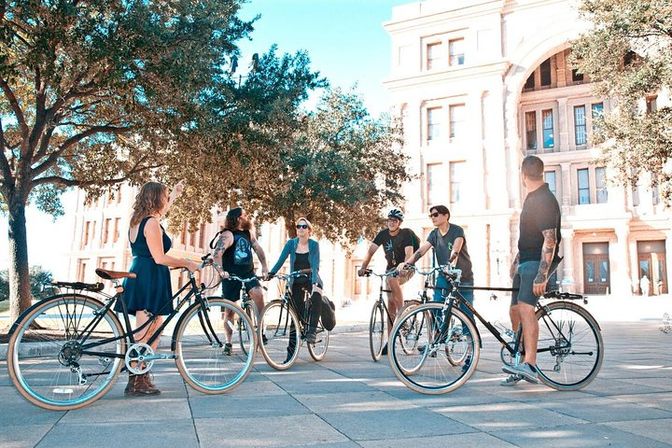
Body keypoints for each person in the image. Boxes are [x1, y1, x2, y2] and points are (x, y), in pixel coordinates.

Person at [116, 181, 200, 396]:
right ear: (155, 198)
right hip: (149, 276)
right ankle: (137, 379)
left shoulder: (138, 221)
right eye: (163, 196)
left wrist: (174, 194)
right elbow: (160, 257)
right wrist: (186, 262)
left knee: (153, 327)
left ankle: (141, 374)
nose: (165, 200)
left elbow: (161, 215)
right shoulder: (151, 223)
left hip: (143, 273)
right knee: (144, 333)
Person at [501, 155, 561, 386]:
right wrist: (516, 260)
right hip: (525, 261)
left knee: (526, 309)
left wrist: (542, 273)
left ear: (523, 174)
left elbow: (550, 239)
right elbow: (529, 235)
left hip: (537, 263)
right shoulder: (532, 198)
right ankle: (520, 359)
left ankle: (531, 364)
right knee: (515, 309)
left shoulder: (544, 199)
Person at [400, 205, 475, 364]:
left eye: (435, 214)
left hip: (463, 276)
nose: (433, 217)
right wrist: (407, 263)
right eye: (431, 216)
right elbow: (421, 251)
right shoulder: (434, 234)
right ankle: (437, 340)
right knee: (436, 306)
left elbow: (456, 248)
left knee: (466, 313)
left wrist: (450, 262)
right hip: (444, 277)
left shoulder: (457, 231)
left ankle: (471, 349)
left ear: (446, 216)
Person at [358, 209, 415, 354]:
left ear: (399, 223)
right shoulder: (382, 234)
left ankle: (403, 316)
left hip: (406, 268)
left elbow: (409, 254)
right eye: (389, 220)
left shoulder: (406, 233)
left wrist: (405, 266)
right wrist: (363, 267)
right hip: (390, 270)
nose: (391, 222)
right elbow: (371, 251)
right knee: (390, 305)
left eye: (395, 220)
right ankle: (390, 343)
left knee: (392, 279)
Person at [213, 207, 269, 355]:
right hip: (231, 276)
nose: (247, 217)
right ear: (238, 218)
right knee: (230, 312)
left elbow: (258, 249)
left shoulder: (248, 233)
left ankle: (260, 329)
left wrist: (264, 266)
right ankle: (228, 342)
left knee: (259, 294)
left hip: (248, 273)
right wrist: (221, 271)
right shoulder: (227, 234)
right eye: (245, 215)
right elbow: (217, 254)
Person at [268, 217, 323, 361]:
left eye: (304, 227)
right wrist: (271, 273)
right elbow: (281, 260)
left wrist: (315, 282)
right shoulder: (291, 244)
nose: (301, 229)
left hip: (312, 278)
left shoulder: (314, 245)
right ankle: (290, 355)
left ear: (309, 230)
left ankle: (312, 331)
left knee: (317, 296)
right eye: (299, 226)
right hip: (297, 281)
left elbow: (315, 266)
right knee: (295, 316)